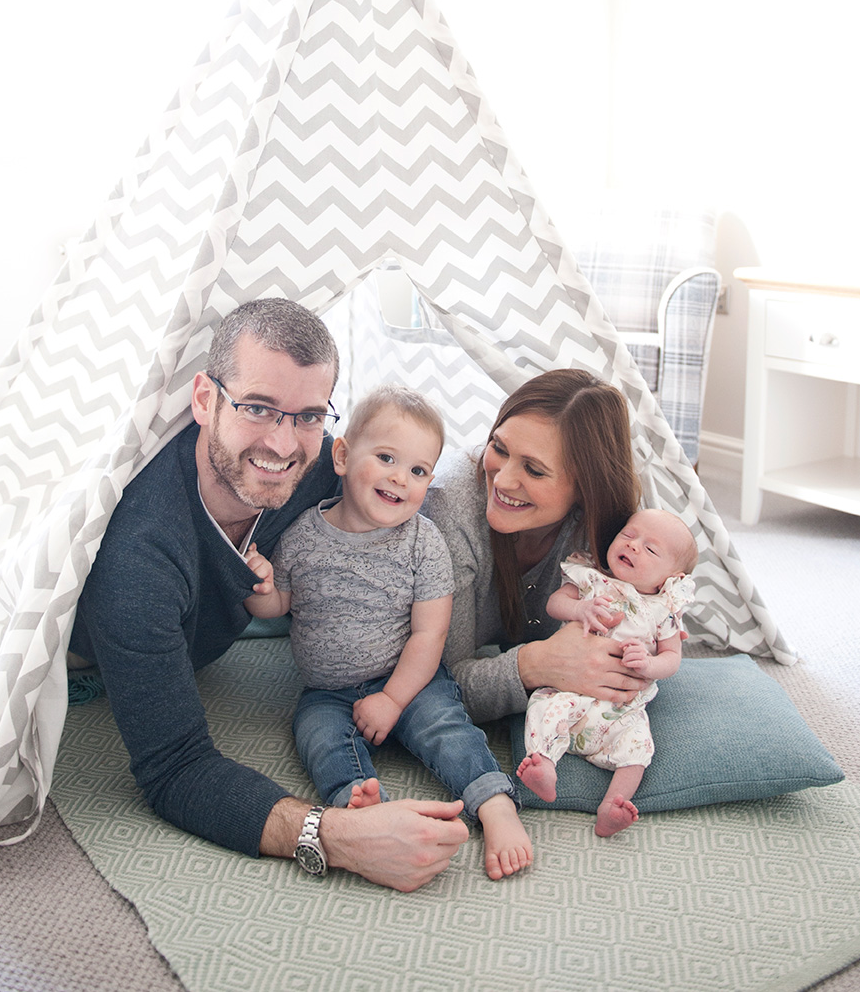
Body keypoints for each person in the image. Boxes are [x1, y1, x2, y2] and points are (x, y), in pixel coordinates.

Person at [69, 299, 469, 892]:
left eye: (308, 416)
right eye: (257, 408)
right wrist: (336, 836)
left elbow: (405, 476)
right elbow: (174, 769)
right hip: (91, 657)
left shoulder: (320, 468)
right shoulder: (140, 558)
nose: (284, 444)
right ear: (204, 400)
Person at [244, 386, 534, 880]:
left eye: (418, 471)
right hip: (328, 691)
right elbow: (278, 607)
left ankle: (494, 803)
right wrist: (259, 586)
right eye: (386, 458)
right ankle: (359, 805)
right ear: (341, 457)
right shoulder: (302, 536)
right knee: (317, 737)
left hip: (409, 680)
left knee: (446, 727)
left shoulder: (424, 542)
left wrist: (394, 699)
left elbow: (429, 635)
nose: (401, 478)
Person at [423, 369, 651, 735]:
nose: (502, 479)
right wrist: (539, 663)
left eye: (533, 470)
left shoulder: (614, 532)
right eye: (499, 448)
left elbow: (636, 646)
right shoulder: (449, 503)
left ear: (586, 488)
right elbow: (434, 684)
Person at [516, 508, 697, 835]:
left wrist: (649, 663)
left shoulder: (663, 609)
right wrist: (579, 608)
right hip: (568, 689)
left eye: (650, 549)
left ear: (669, 579)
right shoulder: (591, 578)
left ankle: (613, 804)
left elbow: (672, 658)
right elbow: (554, 604)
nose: (633, 545)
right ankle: (543, 764)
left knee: (639, 744)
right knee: (543, 705)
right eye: (628, 535)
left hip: (619, 709)